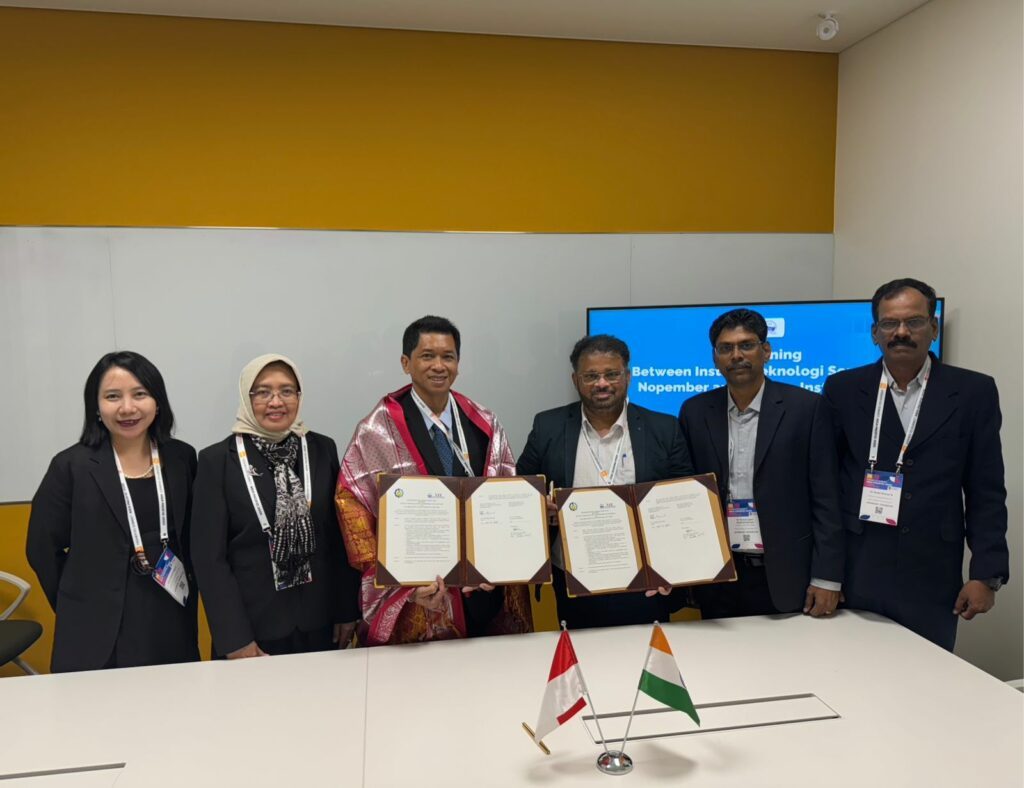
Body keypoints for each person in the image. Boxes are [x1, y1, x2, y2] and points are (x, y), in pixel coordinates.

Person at [823, 278, 1009, 650]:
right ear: (875, 332)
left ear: (934, 327)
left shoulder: (973, 392)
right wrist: (825, 575)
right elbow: (826, 486)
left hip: (933, 575)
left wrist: (986, 575)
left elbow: (986, 488)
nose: (901, 332)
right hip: (859, 570)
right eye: (890, 323)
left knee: (927, 686)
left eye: (914, 322)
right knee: (853, 676)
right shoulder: (843, 389)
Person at [336, 316, 532, 645]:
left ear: (458, 363)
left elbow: (504, 492)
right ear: (406, 363)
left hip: (482, 591)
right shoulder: (376, 430)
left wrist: (498, 562)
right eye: (427, 356)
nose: (439, 366)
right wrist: (402, 582)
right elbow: (351, 503)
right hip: (419, 596)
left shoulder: (483, 421)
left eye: (448, 356)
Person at [26, 351, 199, 672]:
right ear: (96, 405)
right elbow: (41, 548)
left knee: (173, 712)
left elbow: (193, 538)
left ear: (157, 401)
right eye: (112, 396)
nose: (127, 408)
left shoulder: (181, 458)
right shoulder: (71, 465)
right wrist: (75, 600)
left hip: (167, 617)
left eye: (140, 394)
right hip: (92, 627)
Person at [516, 334, 694, 629]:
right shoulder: (547, 426)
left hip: (645, 578)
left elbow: (685, 501)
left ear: (628, 376)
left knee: (644, 662)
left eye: (612, 374)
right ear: (575, 380)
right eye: (591, 376)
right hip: (573, 575)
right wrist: (539, 508)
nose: (602, 383)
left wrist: (676, 567)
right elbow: (521, 491)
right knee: (581, 662)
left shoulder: (664, 428)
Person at [678, 309, 844, 620]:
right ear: (714, 357)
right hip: (719, 575)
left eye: (746, 345)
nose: (736, 355)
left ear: (766, 351)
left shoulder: (806, 409)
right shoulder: (695, 412)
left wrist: (827, 577)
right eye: (726, 348)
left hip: (785, 574)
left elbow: (827, 497)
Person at [191, 354, 360, 658]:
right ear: (246, 396)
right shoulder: (217, 461)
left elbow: (339, 538)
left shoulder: (321, 449)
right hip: (252, 630)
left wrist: (346, 610)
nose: (276, 401)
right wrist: (234, 638)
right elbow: (209, 559)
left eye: (286, 391)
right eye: (263, 392)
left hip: (319, 623)